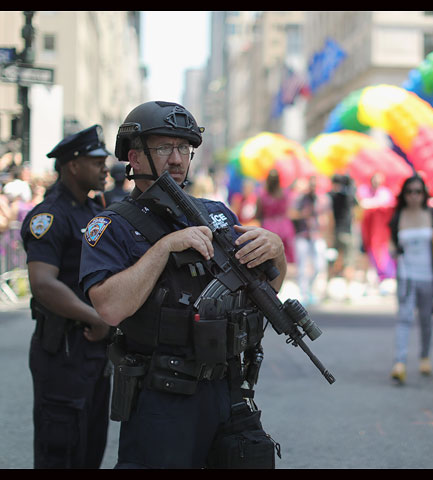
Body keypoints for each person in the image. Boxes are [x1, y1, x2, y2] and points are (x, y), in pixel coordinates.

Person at [78, 101, 286, 469]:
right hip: (164, 396)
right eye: (163, 148)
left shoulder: (218, 214)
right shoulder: (112, 225)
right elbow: (109, 308)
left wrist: (277, 254)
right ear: (135, 158)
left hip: (229, 389)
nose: (176, 159)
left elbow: (262, 296)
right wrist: (164, 248)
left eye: (184, 149)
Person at [20, 124, 113, 468]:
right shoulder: (49, 216)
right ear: (73, 165)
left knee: (90, 448)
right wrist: (95, 317)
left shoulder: (92, 212)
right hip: (62, 350)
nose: (105, 168)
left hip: (93, 352)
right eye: (96, 161)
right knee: (60, 450)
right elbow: (43, 284)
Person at [388, 174, 433, 383]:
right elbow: (391, 243)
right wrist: (392, 252)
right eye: (410, 192)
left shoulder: (431, 214)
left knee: (426, 319)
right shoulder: (399, 216)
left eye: (418, 192)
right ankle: (400, 362)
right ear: (404, 195)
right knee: (404, 317)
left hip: (428, 275)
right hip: (406, 276)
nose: (414, 196)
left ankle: (424, 356)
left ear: (423, 194)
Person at [290, 175, 331, 305]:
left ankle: (311, 289)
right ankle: (304, 292)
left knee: (319, 265)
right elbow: (291, 213)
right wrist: (303, 214)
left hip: (317, 235)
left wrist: (328, 233)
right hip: (303, 234)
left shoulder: (324, 199)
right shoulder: (300, 199)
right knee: (302, 266)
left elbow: (329, 217)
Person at [255, 169, 295, 263]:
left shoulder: (262, 196)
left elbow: (258, 214)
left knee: (270, 259)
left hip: (269, 227)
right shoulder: (285, 194)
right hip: (285, 227)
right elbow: (288, 210)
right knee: (286, 258)